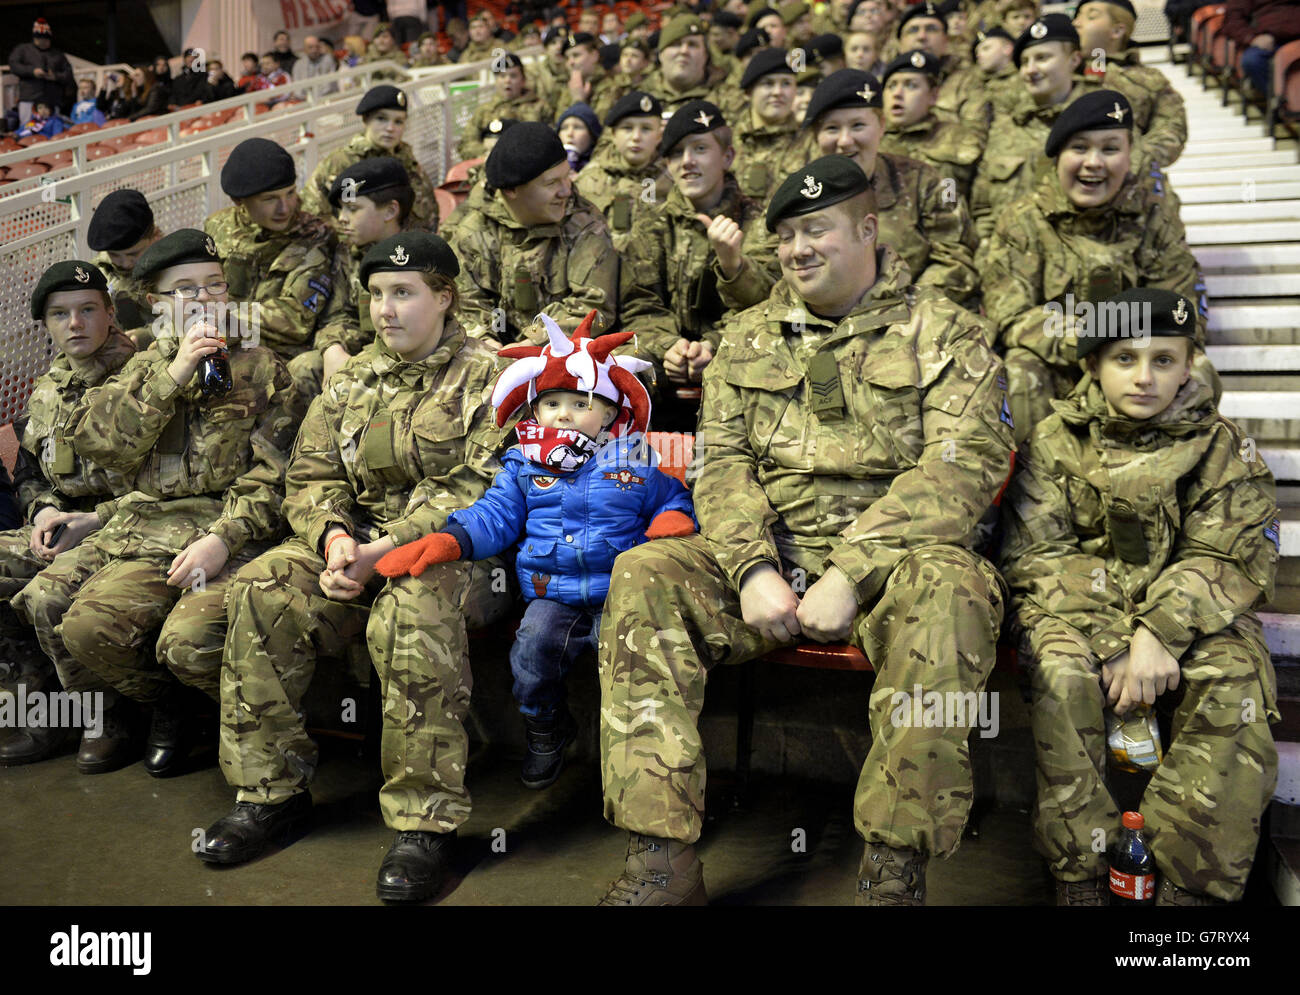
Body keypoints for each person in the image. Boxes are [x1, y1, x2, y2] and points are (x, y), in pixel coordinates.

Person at [595, 155, 1014, 905]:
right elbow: (721, 465)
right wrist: (753, 567)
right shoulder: (748, 336)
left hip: (896, 566)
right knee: (644, 574)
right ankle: (661, 859)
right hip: (771, 556)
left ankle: (893, 867)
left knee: (952, 591)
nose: (797, 249)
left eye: (816, 229)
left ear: (868, 229)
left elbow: (959, 473)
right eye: (785, 235)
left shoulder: (947, 332)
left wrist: (850, 572)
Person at [195, 232, 512, 905]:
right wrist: (336, 536)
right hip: (356, 547)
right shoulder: (356, 378)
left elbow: (479, 489)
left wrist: (383, 551)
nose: (385, 309)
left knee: (412, 607)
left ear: (445, 297)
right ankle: (271, 792)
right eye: (375, 294)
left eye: (404, 293)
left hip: (459, 554)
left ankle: (425, 823)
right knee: (263, 587)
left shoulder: (490, 377)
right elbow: (308, 474)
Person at [999, 287, 1280, 906]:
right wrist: (1112, 640)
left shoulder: (1223, 445)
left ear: (1190, 364)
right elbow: (1035, 553)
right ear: (1094, 366)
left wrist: (1158, 632)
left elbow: (1231, 554)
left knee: (1232, 674)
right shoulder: (1053, 441)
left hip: (1192, 617)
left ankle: (1190, 886)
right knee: (1062, 672)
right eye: (1124, 358)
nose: (1145, 377)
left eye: (1164, 359)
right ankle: (1083, 875)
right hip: (1073, 614)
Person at [11, 232, 299, 777]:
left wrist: (227, 536)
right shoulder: (139, 367)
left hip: (222, 528)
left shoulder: (262, 368)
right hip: (142, 527)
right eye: (187, 290)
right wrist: (174, 373)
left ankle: (191, 712)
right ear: (157, 304)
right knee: (72, 620)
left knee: (179, 638)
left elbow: (277, 475)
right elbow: (102, 445)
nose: (208, 299)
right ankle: (166, 706)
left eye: (215, 285)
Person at [378, 312, 696, 788]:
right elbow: (495, 515)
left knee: (632, 673)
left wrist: (671, 519)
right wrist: (450, 540)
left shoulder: (634, 458)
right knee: (531, 656)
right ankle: (545, 725)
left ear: (610, 412)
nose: (563, 413)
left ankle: (632, 760)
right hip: (553, 594)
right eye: (551, 403)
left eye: (579, 402)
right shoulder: (523, 463)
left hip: (624, 596)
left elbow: (669, 497)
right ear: (535, 410)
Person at [981, 90, 1204, 441]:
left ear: (1130, 157)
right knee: (1021, 370)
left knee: (1200, 372)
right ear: (1057, 158)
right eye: (1080, 148)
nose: (1094, 163)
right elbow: (1009, 314)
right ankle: (1028, 484)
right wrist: (1092, 344)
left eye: (1110, 149)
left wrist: (1126, 356)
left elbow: (1181, 312)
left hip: (1140, 363)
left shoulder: (1155, 218)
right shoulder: (1023, 219)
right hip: (1057, 362)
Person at [0, 262, 136, 766]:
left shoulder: (144, 382)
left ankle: (106, 715)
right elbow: (30, 472)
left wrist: (94, 520)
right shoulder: (48, 388)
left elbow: (170, 487)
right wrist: (43, 511)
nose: (74, 324)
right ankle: (44, 704)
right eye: (60, 315)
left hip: (126, 528)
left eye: (86, 311)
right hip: (64, 525)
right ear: (47, 325)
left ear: (110, 313)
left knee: (46, 597)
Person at [619, 99, 766, 414]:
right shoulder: (652, 223)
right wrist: (669, 346)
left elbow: (767, 307)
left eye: (699, 149)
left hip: (735, 351)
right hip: (666, 358)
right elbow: (639, 303)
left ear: (727, 156)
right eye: (675, 153)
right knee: (616, 369)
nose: (686, 162)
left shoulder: (759, 222)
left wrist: (733, 265)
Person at [451, 122, 618, 345]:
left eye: (566, 177)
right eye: (551, 183)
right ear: (511, 190)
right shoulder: (473, 232)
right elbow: (466, 306)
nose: (566, 191)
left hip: (562, 355)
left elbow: (595, 306)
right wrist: (485, 344)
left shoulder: (584, 224)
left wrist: (531, 344)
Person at [205, 138, 339, 400]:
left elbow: (295, 319)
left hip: (282, 358)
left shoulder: (314, 236)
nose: (285, 207)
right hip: (225, 343)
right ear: (238, 200)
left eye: (290, 193)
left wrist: (220, 313)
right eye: (270, 199)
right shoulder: (217, 227)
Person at [296, 157, 417, 394]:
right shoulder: (349, 253)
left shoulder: (421, 258)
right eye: (341, 209)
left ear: (391, 210)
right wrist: (332, 348)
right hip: (363, 352)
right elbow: (339, 314)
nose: (342, 218)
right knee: (305, 367)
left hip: (409, 358)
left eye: (352, 209)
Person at [971, 14, 1088, 246]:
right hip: (1009, 264)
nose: (1030, 70)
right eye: (1024, 62)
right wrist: (987, 245)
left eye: (1042, 58)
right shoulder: (1004, 128)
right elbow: (982, 205)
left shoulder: (1100, 122)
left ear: (1074, 60)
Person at [1073, 0, 1188, 175]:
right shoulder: (1057, 72)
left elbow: (1171, 131)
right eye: (1077, 17)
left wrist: (1123, 160)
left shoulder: (1150, 81)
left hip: (1125, 185)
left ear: (1117, 31)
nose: (1076, 23)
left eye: (1091, 16)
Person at [302, 85, 439, 232]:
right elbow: (312, 214)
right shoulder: (341, 163)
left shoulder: (408, 163)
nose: (390, 128)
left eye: (398, 121)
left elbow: (429, 214)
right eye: (381, 119)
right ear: (366, 120)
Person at [574, 91, 671, 252]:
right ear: (613, 134)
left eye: (646, 129)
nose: (636, 137)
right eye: (627, 128)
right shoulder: (589, 179)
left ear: (659, 135)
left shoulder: (671, 180)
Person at [879, 50, 982, 201]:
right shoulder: (870, 140)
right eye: (891, 86)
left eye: (910, 85)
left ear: (934, 96)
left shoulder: (959, 140)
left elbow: (982, 207)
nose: (897, 94)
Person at [732, 48, 812, 203]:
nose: (777, 92)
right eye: (768, 84)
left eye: (786, 83)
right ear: (748, 93)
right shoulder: (726, 140)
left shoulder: (810, 142)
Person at [86, 188, 164, 339]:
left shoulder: (174, 268)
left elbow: (190, 318)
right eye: (114, 254)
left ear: (154, 236)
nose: (125, 263)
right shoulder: (97, 274)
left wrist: (148, 336)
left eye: (133, 254)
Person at [458, 53, 549, 160]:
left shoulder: (540, 107)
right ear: (496, 81)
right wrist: (487, 151)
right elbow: (466, 143)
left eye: (513, 76)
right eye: (502, 76)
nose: (507, 81)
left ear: (523, 80)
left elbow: (549, 141)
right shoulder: (484, 111)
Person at [641, 15, 732, 119]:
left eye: (692, 44)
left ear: (706, 55)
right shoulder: (639, 97)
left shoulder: (729, 99)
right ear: (661, 54)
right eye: (676, 44)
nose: (684, 51)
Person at [1223, 0, 1300, 95]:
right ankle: (1279, 100)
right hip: (1271, 40)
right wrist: (1252, 38)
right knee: (1252, 60)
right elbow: (1233, 20)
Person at [8, 18, 75, 123]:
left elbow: (69, 74)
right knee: (27, 129)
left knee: (53, 129)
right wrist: (32, 71)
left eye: (45, 38)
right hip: (30, 98)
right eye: (39, 38)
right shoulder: (23, 50)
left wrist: (55, 76)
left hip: (52, 100)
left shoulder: (58, 55)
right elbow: (14, 65)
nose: (42, 41)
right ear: (34, 38)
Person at [557, 102, 602, 172]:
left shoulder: (602, 167)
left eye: (578, 127)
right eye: (564, 128)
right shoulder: (546, 165)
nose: (570, 133)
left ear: (592, 136)